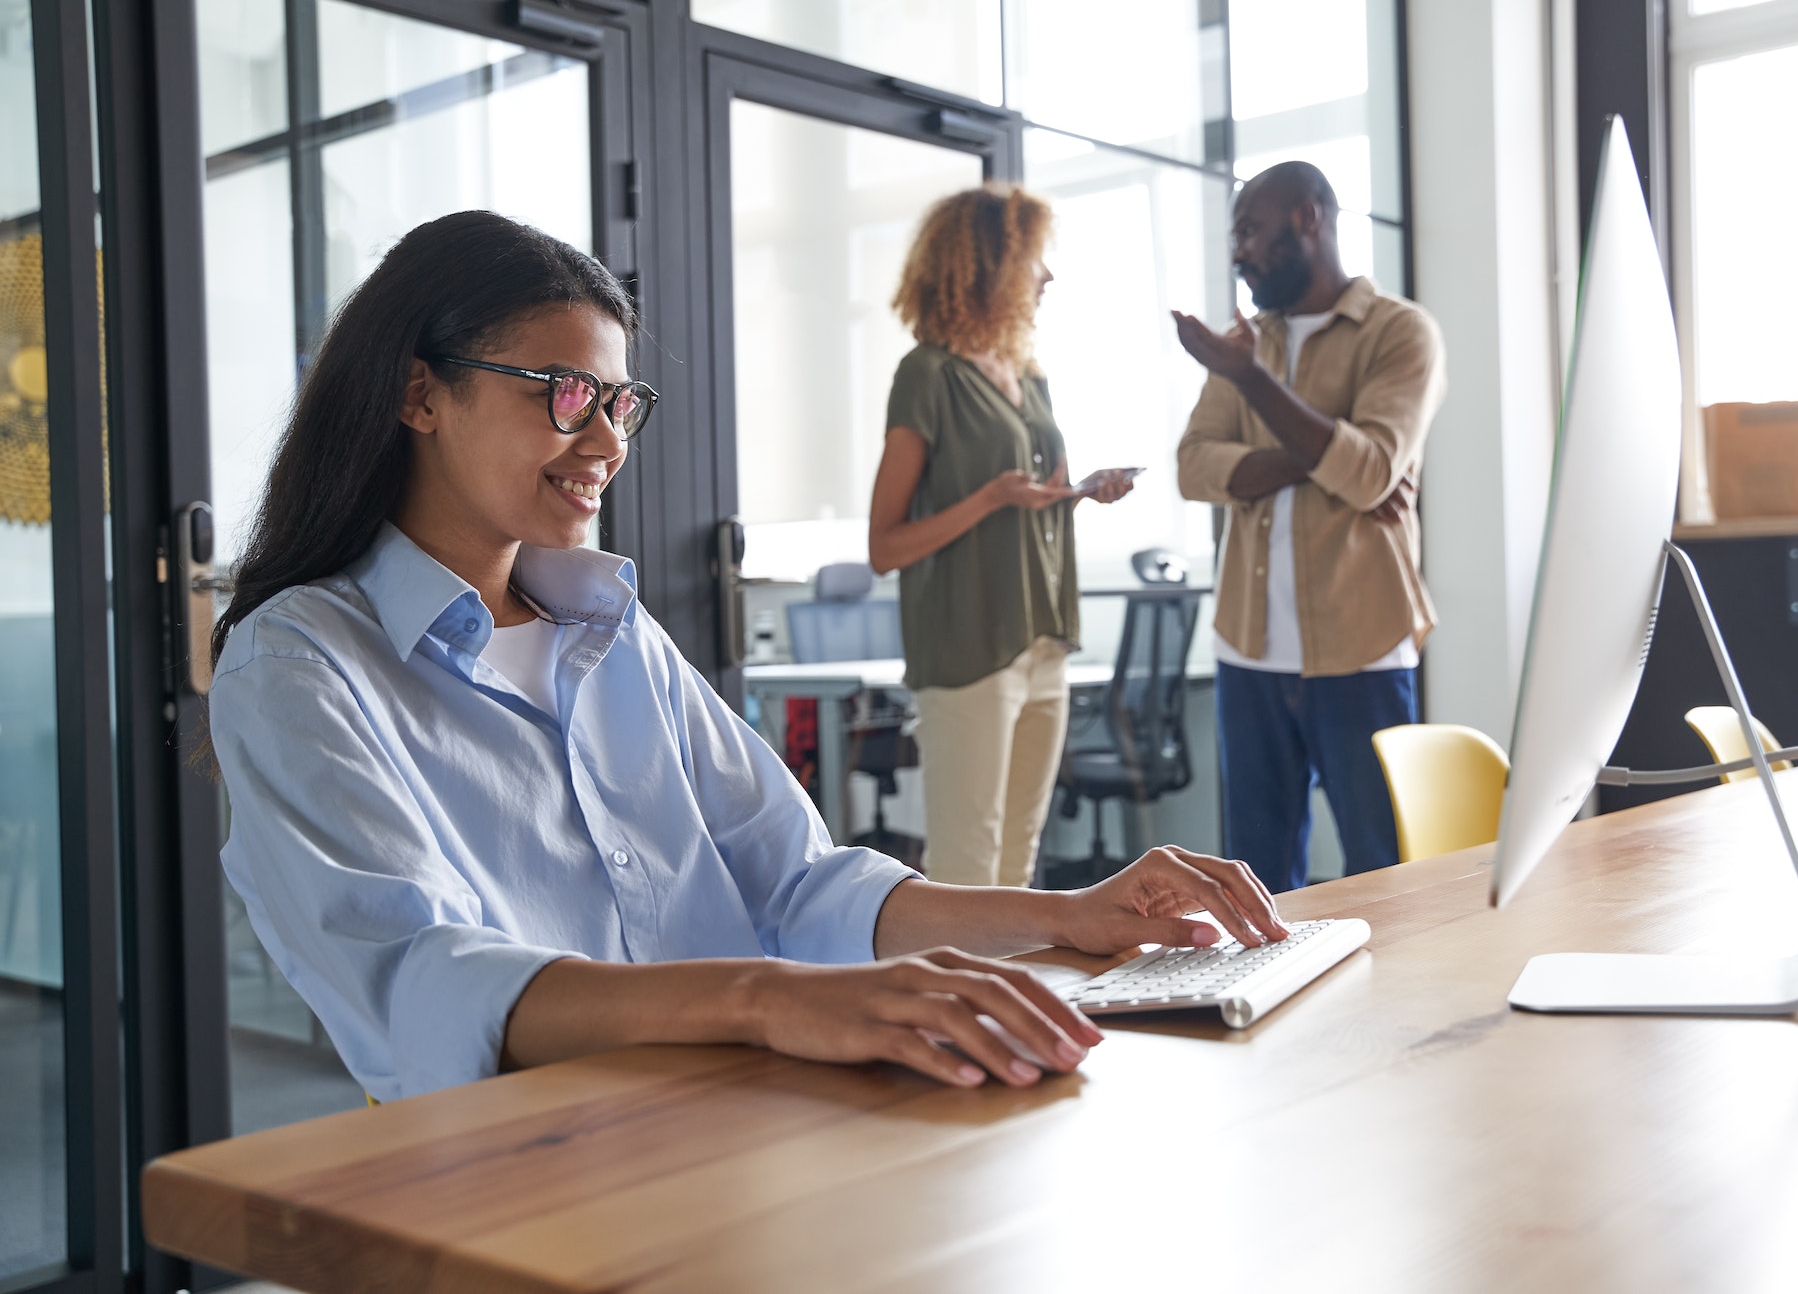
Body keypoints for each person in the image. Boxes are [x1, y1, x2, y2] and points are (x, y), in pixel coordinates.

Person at [207, 210, 1285, 1103]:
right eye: (564, 394)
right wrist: (770, 998)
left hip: (747, 1116)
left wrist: (1069, 912)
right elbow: (419, 979)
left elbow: (799, 881)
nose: (608, 442)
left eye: (620, 402)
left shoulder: (611, 630)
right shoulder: (300, 667)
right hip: (531, 1168)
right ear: (419, 394)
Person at [1172, 162, 1445, 892]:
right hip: (1248, 649)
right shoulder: (1246, 340)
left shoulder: (1400, 332)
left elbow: (1370, 471)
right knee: (1256, 880)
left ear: (1307, 219)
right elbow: (1194, 468)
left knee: (1382, 870)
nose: (1238, 253)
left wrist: (1255, 385)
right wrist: (1322, 452)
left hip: (1364, 646)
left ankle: (1395, 1010)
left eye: (1250, 232)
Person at [867, 185, 1135, 888]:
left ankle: (1012, 998)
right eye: (1033, 261)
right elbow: (884, 546)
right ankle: (954, 1001)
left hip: (1042, 637)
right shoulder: (926, 376)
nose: (1046, 277)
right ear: (985, 266)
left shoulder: (1029, 377)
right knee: (967, 864)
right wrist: (989, 499)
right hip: (968, 645)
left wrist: (1082, 491)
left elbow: (1040, 498)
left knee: (1019, 858)